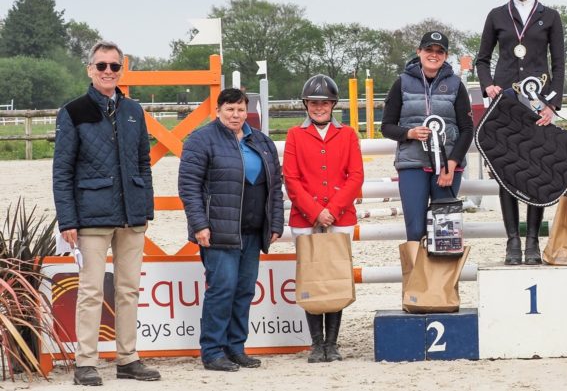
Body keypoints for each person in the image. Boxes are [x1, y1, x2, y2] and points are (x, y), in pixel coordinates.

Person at [53, 41, 162, 385]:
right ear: (90, 69)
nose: (108, 72)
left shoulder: (134, 111)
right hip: (91, 217)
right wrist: (68, 220)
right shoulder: (73, 112)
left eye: (114, 66)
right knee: (91, 290)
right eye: (102, 66)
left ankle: (127, 358)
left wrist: (146, 208)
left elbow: (144, 162)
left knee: (129, 289)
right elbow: (62, 171)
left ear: (121, 70)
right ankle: (86, 361)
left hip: (132, 216)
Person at [179, 88, 284, 372]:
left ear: (246, 110)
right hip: (218, 230)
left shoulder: (261, 141)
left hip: (253, 229)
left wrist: (275, 222)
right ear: (218, 111)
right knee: (222, 289)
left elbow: (275, 187)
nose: (235, 114)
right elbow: (189, 187)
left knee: (244, 290)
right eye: (229, 109)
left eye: (240, 109)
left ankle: (236, 348)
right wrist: (199, 224)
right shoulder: (201, 140)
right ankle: (212, 351)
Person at [474, 0, 565, 265]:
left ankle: (532, 243)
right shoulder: (496, 16)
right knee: (507, 173)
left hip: (538, 106)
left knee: (538, 172)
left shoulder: (550, 17)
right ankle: (512, 241)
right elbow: (482, 60)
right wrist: (488, 85)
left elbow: (560, 65)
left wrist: (551, 104)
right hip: (506, 105)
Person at [283, 74, 364, 363]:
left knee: (336, 273)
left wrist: (334, 210)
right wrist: (316, 212)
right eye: (314, 103)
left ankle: (333, 342)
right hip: (305, 217)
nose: (319, 107)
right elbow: (291, 179)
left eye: (324, 103)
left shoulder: (348, 134)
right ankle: (317, 344)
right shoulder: (294, 135)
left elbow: (356, 176)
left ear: (333, 105)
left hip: (339, 216)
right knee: (312, 276)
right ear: (307, 104)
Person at [382, 32, 474, 242]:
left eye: (439, 51)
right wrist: (409, 133)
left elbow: (467, 129)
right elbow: (386, 127)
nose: (434, 55)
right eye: (429, 50)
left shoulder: (456, 85)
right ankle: (416, 274)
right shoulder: (401, 84)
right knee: (415, 230)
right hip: (412, 164)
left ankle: (442, 276)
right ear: (419, 52)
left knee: (444, 234)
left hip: (447, 168)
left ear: (446, 55)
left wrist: (451, 165)